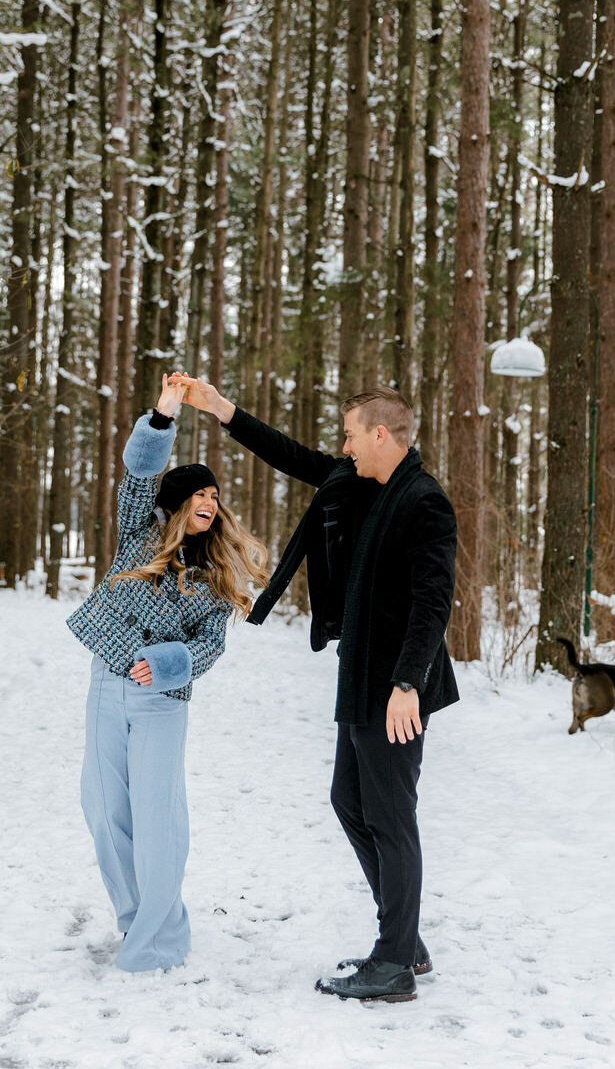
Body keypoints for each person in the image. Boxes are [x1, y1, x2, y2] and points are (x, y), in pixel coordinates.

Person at [173, 373, 459, 1004]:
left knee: (390, 816)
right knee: (350, 801)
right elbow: (294, 457)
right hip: (359, 673)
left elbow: (433, 602)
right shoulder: (364, 483)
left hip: (394, 687)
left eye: (353, 434)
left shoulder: (423, 500)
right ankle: (403, 939)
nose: (345, 446)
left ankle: (394, 961)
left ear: (380, 434)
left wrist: (409, 682)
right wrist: (224, 411)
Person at [66, 374, 269, 973]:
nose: (210, 502)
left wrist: (164, 662)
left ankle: (159, 942)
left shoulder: (214, 576)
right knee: (105, 814)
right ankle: (135, 923)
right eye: (198, 494)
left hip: (161, 699)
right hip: (106, 685)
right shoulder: (138, 534)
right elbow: (136, 476)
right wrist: (164, 413)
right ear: (176, 504)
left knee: (158, 819)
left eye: (215, 495)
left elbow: (210, 647)